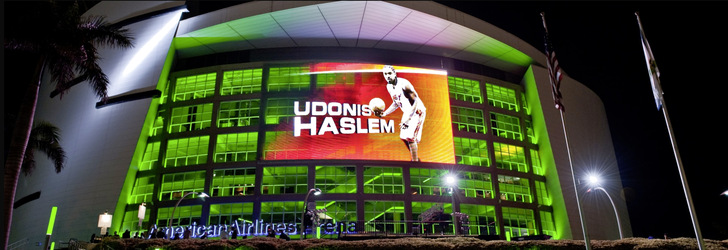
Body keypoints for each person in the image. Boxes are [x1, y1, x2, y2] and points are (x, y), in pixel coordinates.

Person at [375, 65, 426, 162]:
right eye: (385, 74)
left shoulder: (404, 84)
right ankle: (414, 155)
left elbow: (415, 102)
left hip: (417, 111)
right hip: (407, 112)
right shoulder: (389, 86)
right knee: (403, 137)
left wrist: (408, 119)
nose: (387, 76)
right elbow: (396, 103)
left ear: (394, 73)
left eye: (389, 73)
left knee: (410, 137)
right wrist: (385, 113)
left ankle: (415, 162)